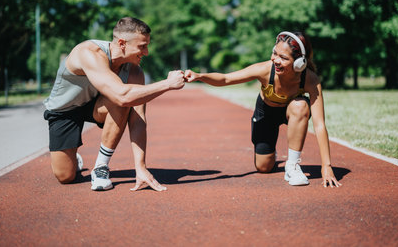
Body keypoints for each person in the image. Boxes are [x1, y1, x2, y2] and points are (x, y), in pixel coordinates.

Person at [43, 17, 185, 191]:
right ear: (122, 43)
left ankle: (101, 167)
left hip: (98, 105)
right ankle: (73, 157)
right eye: (142, 46)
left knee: (123, 100)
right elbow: (122, 95)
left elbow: (138, 118)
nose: (147, 52)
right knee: (66, 177)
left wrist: (140, 166)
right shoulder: (89, 52)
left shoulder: (134, 71)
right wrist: (167, 84)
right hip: (65, 110)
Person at [184, 31, 342, 187]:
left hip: (293, 110)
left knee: (300, 105)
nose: (276, 60)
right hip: (266, 113)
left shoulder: (310, 80)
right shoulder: (265, 70)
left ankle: (292, 165)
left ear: (299, 63)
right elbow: (226, 79)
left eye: (283, 58)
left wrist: (326, 167)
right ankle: (270, 154)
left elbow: (320, 124)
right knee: (263, 168)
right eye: (275, 53)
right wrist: (200, 76)